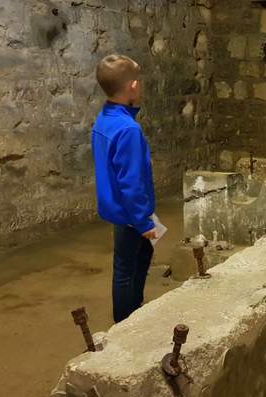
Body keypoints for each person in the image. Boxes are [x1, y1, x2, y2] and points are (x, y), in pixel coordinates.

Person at [91, 54, 157, 323]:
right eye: (138, 82)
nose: (140, 86)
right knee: (125, 268)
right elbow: (131, 183)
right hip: (130, 213)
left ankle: (134, 307)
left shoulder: (104, 119)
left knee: (143, 253)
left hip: (118, 208)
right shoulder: (128, 130)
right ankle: (125, 322)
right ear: (131, 86)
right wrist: (143, 222)